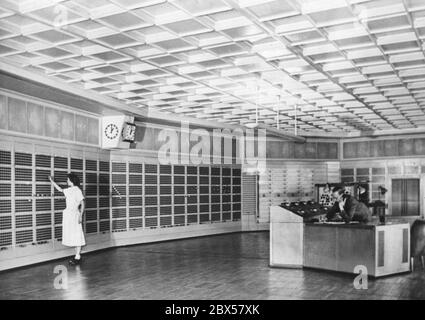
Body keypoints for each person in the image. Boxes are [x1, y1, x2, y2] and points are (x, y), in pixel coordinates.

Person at [49, 173, 86, 265]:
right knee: (73, 235)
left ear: (72, 180)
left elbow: (83, 204)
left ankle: (77, 257)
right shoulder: (69, 190)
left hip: (74, 215)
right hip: (68, 215)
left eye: (68, 179)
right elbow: (60, 189)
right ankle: (77, 256)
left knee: (77, 236)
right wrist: (51, 181)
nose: (67, 181)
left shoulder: (77, 190)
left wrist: (81, 216)